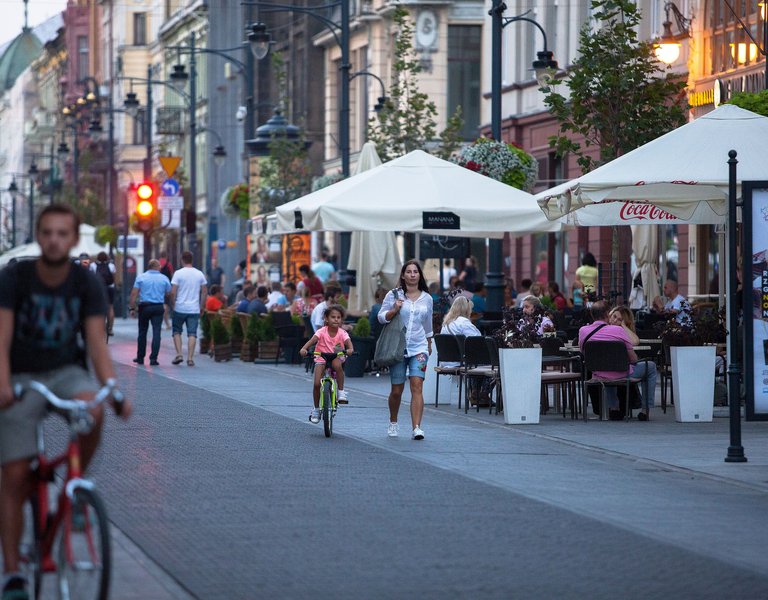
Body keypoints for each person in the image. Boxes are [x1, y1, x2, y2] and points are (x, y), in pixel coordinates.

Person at [0, 204, 132, 600]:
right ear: (39, 237)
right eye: (48, 232)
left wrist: (113, 389)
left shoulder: (85, 281)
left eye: (63, 233)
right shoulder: (15, 277)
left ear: (73, 240)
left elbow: (95, 343)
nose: (55, 239)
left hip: (66, 372)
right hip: (21, 376)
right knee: (16, 475)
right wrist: (2, 382)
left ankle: (74, 489)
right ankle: (13, 575)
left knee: (92, 409)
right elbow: (1, 337)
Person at [378, 260, 433, 440]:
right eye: (408, 272)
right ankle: (393, 421)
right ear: (403, 275)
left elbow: (428, 323)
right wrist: (394, 309)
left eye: (415, 271)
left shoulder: (427, 298)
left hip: (419, 347)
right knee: (397, 389)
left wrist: (429, 341)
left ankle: (417, 427)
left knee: (417, 385)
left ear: (419, 275)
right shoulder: (393, 295)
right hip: (398, 348)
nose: (412, 274)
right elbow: (381, 317)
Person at [579, 301, 657, 421]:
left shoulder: (583, 331)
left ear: (592, 314)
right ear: (607, 314)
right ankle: (645, 410)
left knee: (607, 368)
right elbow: (634, 359)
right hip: (621, 374)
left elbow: (585, 353)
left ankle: (614, 408)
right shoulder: (618, 331)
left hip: (598, 374)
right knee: (650, 366)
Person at [300, 304, 354, 423]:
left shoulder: (342, 332)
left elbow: (349, 344)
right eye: (333, 317)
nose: (336, 319)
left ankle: (341, 392)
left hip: (336, 355)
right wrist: (304, 349)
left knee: (337, 366)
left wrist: (350, 350)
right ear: (326, 319)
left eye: (338, 317)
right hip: (321, 356)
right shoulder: (321, 331)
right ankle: (316, 409)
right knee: (316, 383)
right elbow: (312, 340)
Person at [129, 259, 172, 366]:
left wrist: (132, 308)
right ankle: (153, 358)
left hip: (145, 307)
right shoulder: (164, 278)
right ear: (157, 267)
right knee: (157, 332)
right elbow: (169, 293)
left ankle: (140, 357)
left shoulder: (141, 277)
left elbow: (134, 294)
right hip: (158, 307)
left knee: (142, 332)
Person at [169, 251, 208, 367]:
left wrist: (173, 303)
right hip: (194, 309)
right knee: (192, 333)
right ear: (192, 260)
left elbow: (172, 292)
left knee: (176, 331)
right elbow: (205, 291)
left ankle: (179, 354)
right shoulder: (199, 274)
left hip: (179, 308)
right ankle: (190, 358)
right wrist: (202, 306)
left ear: (182, 260)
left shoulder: (178, 273)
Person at [440, 296, 481, 367]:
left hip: (446, 362)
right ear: (466, 310)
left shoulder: (445, 324)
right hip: (461, 362)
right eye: (470, 309)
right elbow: (477, 342)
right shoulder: (463, 322)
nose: (471, 312)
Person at [91, 251, 116, 336]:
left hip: (98, 288)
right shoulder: (111, 266)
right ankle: (110, 329)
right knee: (110, 307)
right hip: (110, 288)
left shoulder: (93, 265)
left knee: (96, 307)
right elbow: (114, 278)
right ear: (107, 258)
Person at [159, 251, 174, 329]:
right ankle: (167, 323)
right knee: (166, 305)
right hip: (166, 287)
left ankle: (163, 322)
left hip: (158, 287)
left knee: (161, 305)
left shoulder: (158, 264)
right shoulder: (168, 265)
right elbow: (171, 275)